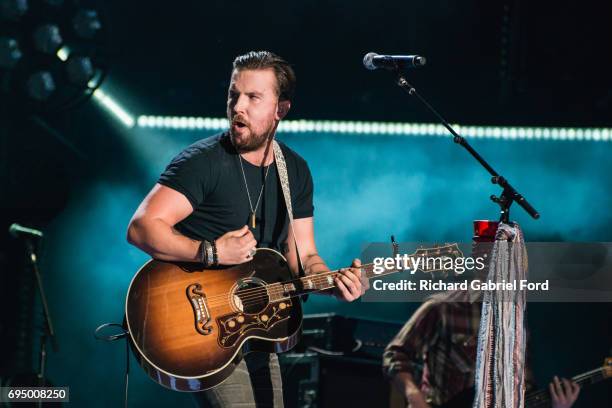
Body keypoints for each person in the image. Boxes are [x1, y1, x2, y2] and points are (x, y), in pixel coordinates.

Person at [126, 50, 369, 407]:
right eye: (233, 95)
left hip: (258, 325)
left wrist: (333, 284)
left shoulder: (295, 171)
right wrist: (210, 252)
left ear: (280, 110)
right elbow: (141, 227)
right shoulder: (203, 162)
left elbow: (304, 256)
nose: (238, 106)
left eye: (253, 97)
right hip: (204, 327)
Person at [382, 293, 581, 408]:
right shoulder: (444, 307)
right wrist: (414, 397)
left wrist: (558, 405)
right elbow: (396, 354)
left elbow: (523, 389)